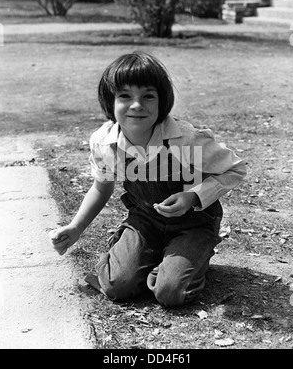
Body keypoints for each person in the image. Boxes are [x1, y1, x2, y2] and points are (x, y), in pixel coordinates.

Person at [49, 51, 246, 308]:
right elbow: (101, 188)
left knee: (170, 292)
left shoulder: (186, 140)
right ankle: (142, 256)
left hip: (194, 224)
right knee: (116, 285)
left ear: (162, 101)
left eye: (148, 96)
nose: (137, 105)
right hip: (145, 222)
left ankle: (182, 262)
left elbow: (235, 170)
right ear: (111, 101)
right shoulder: (105, 143)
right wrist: (75, 228)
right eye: (125, 96)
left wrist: (193, 196)